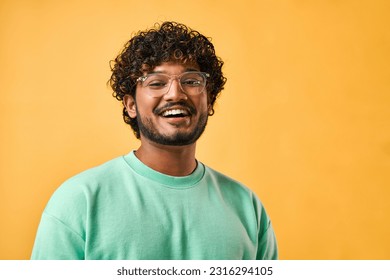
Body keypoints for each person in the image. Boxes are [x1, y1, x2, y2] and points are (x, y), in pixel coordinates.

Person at [31, 21, 278, 260]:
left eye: (191, 81)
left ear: (209, 101)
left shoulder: (247, 208)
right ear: (131, 105)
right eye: (156, 83)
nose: (175, 94)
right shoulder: (79, 201)